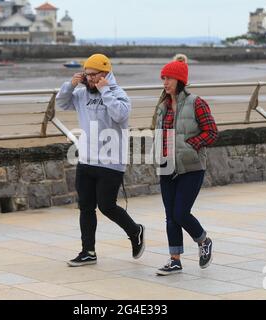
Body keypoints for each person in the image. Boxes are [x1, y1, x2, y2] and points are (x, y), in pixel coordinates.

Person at [56, 53, 145, 267]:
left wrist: (105, 90)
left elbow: (121, 115)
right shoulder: (81, 92)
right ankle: (88, 251)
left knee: (107, 206)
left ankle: (135, 231)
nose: (89, 79)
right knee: (85, 207)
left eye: (93, 75)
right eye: (86, 75)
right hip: (86, 159)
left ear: (104, 74)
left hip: (111, 161)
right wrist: (70, 84)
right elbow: (62, 103)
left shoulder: (118, 93)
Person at [152, 54, 218, 276]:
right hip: (166, 166)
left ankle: (203, 240)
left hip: (191, 167)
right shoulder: (162, 106)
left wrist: (191, 145)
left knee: (181, 213)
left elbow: (211, 132)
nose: (165, 83)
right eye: (164, 78)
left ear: (180, 80)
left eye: (169, 78)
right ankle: (175, 260)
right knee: (170, 215)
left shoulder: (196, 102)